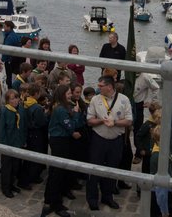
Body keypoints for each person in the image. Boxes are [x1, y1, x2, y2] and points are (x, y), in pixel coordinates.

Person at [86, 75, 133, 211]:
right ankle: (92, 199)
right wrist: (102, 121)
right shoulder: (95, 99)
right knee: (94, 169)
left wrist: (115, 123)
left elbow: (129, 120)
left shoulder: (124, 100)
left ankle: (108, 197)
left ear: (110, 87)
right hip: (98, 140)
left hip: (116, 141)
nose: (98, 88)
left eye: (101, 86)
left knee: (112, 169)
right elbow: (90, 121)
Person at [42, 84, 81, 217]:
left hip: (59, 140)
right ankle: (54, 203)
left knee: (56, 172)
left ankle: (50, 199)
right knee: (57, 173)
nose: (71, 95)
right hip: (60, 142)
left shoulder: (60, 107)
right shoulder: (60, 110)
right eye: (69, 93)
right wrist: (75, 114)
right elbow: (70, 126)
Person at [0, 89, 27, 198]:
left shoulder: (21, 110)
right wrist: (3, 145)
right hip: (8, 143)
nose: (15, 100)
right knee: (7, 167)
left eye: (16, 98)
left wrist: (23, 140)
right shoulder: (5, 111)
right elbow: (2, 130)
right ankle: (6, 187)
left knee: (16, 165)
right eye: (12, 99)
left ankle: (11, 184)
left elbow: (23, 126)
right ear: (7, 101)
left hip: (18, 142)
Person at [132, 69, 160, 164]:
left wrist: (153, 102)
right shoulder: (127, 73)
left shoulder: (145, 77)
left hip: (138, 104)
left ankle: (138, 154)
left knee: (138, 130)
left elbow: (156, 87)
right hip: (127, 102)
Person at [23, 83, 48, 186]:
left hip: (28, 132)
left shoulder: (25, 103)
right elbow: (41, 122)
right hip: (36, 133)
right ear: (37, 93)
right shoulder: (37, 107)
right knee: (35, 155)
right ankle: (30, 178)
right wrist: (45, 113)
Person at [1, 20, 21, 86]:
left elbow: (6, 49)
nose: (3, 28)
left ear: (9, 27)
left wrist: (3, 60)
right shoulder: (15, 35)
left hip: (9, 60)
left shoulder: (10, 37)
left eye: (5, 26)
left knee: (8, 77)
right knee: (10, 77)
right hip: (14, 60)